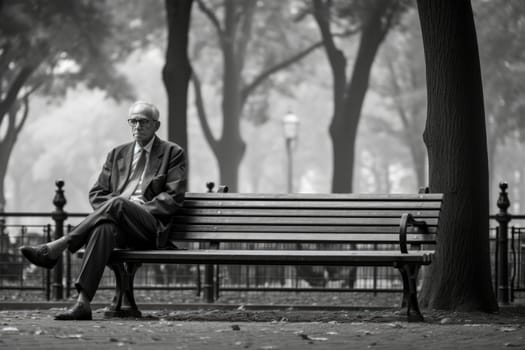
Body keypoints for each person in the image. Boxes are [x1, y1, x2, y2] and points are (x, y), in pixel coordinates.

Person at [20, 101, 186, 320]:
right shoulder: (117, 154)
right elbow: (97, 193)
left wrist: (134, 208)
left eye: (143, 121)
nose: (137, 126)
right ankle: (83, 303)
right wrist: (120, 209)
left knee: (118, 203)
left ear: (156, 125)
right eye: (133, 121)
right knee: (104, 228)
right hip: (120, 224)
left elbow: (172, 198)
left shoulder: (171, 153)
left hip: (150, 226)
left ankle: (61, 244)